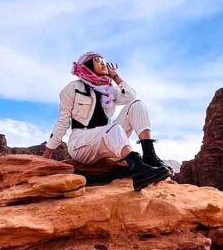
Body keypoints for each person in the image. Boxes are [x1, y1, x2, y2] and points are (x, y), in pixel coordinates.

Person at [43, 52, 171, 191]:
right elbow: (62, 123)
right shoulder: (73, 88)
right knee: (113, 128)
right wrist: (46, 156)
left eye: (104, 60)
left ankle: (149, 157)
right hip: (81, 144)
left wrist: (115, 76)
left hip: (107, 140)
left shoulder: (109, 90)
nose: (103, 63)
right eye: (98, 60)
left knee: (137, 104)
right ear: (87, 65)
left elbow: (130, 96)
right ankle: (139, 171)